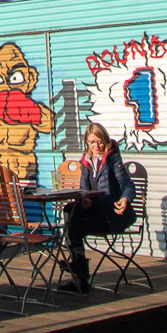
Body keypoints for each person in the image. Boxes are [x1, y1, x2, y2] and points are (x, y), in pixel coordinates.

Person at [62, 125, 136, 293]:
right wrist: (84, 200)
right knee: (70, 211)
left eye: (99, 142)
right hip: (95, 212)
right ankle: (79, 264)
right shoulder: (86, 161)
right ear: (87, 143)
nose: (96, 146)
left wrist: (124, 199)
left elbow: (128, 186)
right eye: (92, 142)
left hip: (112, 215)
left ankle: (79, 272)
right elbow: (83, 190)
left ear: (105, 140)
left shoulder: (112, 159)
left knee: (73, 224)